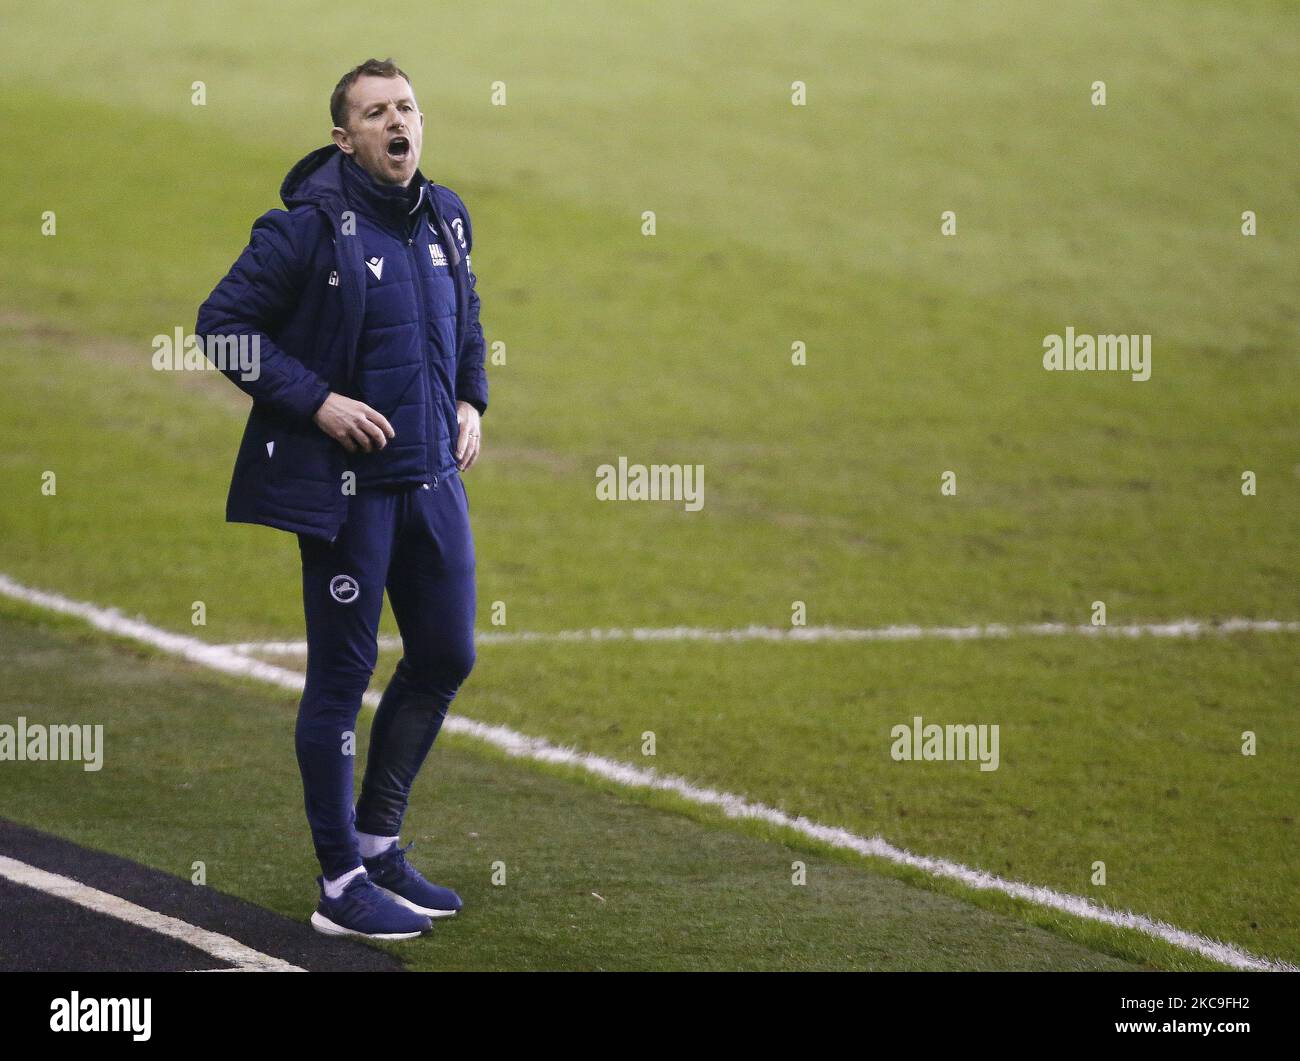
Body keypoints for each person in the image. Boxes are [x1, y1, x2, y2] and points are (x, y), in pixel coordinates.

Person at [195, 57, 488, 940]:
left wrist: (472, 398)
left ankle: (380, 839)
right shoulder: (305, 231)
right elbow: (221, 328)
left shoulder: (447, 215)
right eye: (376, 112)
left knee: (446, 654)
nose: (397, 121)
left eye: (406, 106)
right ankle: (339, 883)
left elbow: (467, 317)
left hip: (432, 480)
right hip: (349, 493)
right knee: (340, 678)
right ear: (345, 137)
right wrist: (316, 400)